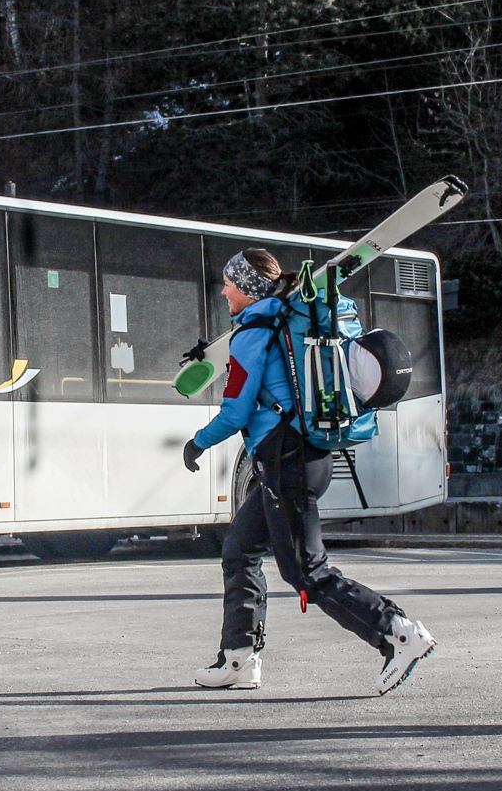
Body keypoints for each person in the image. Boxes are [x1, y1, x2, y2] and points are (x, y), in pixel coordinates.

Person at [181, 248, 437, 695]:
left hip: (288, 463)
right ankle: (238, 658)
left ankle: (397, 633)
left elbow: (236, 410)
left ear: (247, 288)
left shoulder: (252, 334)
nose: (223, 291)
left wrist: (197, 443)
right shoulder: (282, 319)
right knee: (239, 550)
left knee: (306, 572)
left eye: (229, 283)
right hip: (299, 459)